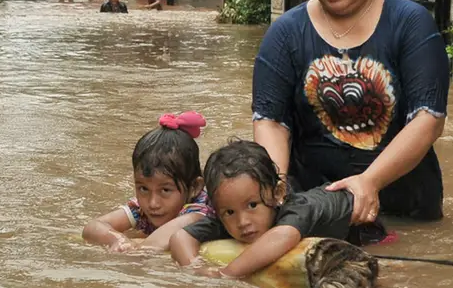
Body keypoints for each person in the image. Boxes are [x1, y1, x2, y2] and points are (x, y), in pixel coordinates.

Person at [251, 0, 450, 237]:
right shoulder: (285, 34)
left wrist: (369, 182)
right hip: (312, 208)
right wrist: (277, 187)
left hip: (404, 209)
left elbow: (428, 121)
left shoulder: (412, 25)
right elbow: (271, 121)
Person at [169, 140, 357, 278]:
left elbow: (283, 236)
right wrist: (194, 268)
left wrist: (225, 274)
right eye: (229, 212)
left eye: (252, 205)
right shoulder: (227, 216)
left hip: (360, 221)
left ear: (278, 193)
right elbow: (180, 238)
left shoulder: (298, 208)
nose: (243, 222)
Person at [82, 112, 214, 253]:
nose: (152, 203)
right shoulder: (141, 209)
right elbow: (93, 226)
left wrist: (133, 250)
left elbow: (153, 246)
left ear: (194, 187)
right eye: (143, 189)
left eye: (165, 190)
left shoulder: (199, 212)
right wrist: (118, 239)